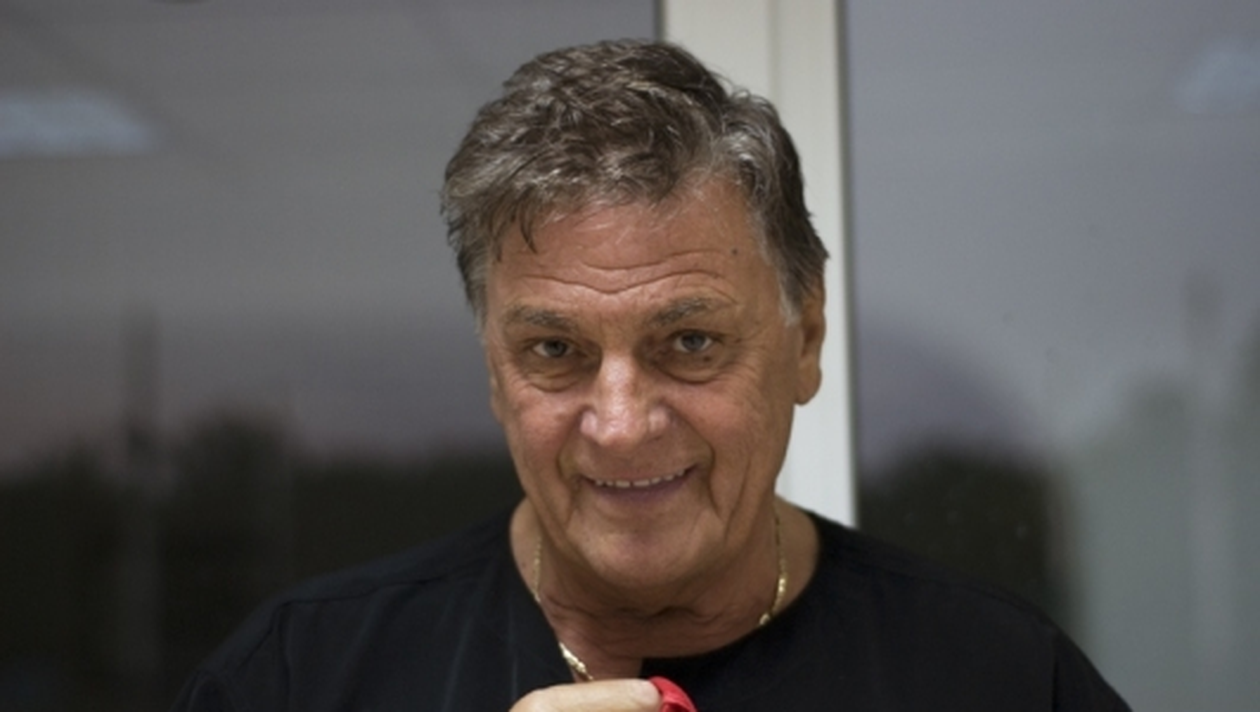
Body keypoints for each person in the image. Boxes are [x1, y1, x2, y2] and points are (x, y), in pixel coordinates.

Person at [170, 39, 1130, 711]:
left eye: (691, 342)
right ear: (495, 373)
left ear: (804, 337)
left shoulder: (1000, 678)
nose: (622, 424)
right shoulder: (298, 676)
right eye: (556, 351)